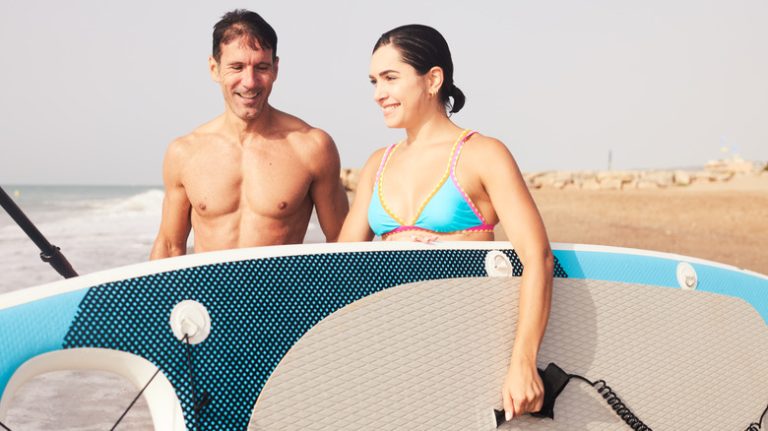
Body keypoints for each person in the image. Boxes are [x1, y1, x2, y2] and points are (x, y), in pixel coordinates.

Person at [338, 24, 554, 420]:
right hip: (391, 352)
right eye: (373, 81)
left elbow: (538, 257)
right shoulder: (376, 165)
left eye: (390, 78)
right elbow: (341, 269)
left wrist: (523, 361)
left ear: (433, 79)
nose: (377, 94)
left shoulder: (482, 154)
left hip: (462, 352)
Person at [151, 10, 348, 259]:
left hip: (283, 296)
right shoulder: (184, 152)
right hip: (209, 296)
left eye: (261, 67)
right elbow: (169, 246)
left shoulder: (312, 146)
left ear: (276, 69)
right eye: (237, 67)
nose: (250, 81)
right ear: (214, 69)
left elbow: (342, 240)